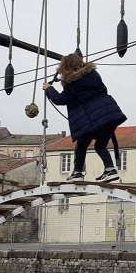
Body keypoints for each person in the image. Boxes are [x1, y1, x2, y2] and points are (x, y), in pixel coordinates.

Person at [44, 53, 126, 183]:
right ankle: (110, 170)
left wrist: (49, 89)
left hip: (92, 120)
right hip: (109, 116)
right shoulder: (94, 75)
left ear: (67, 68)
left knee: (81, 145)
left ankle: (77, 173)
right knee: (100, 145)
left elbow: (60, 99)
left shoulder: (74, 83)